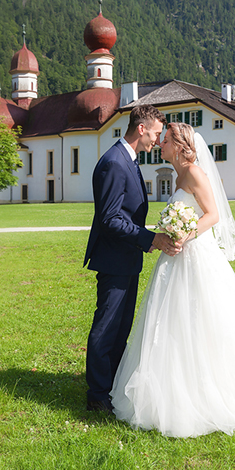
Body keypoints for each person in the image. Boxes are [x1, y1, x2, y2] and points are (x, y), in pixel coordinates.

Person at [110, 122, 235, 437]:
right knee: (169, 323)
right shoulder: (179, 177)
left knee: (205, 319)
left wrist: (185, 233)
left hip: (198, 257)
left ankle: (213, 389)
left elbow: (213, 214)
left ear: (179, 146)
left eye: (165, 140)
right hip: (175, 261)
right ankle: (169, 385)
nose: (160, 145)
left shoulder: (195, 174)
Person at [84, 105, 181, 413]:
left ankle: (110, 384)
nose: (156, 140)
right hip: (114, 258)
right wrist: (150, 238)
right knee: (107, 327)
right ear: (141, 129)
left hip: (126, 257)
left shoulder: (128, 159)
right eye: (155, 133)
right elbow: (110, 218)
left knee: (120, 326)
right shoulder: (114, 162)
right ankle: (97, 395)